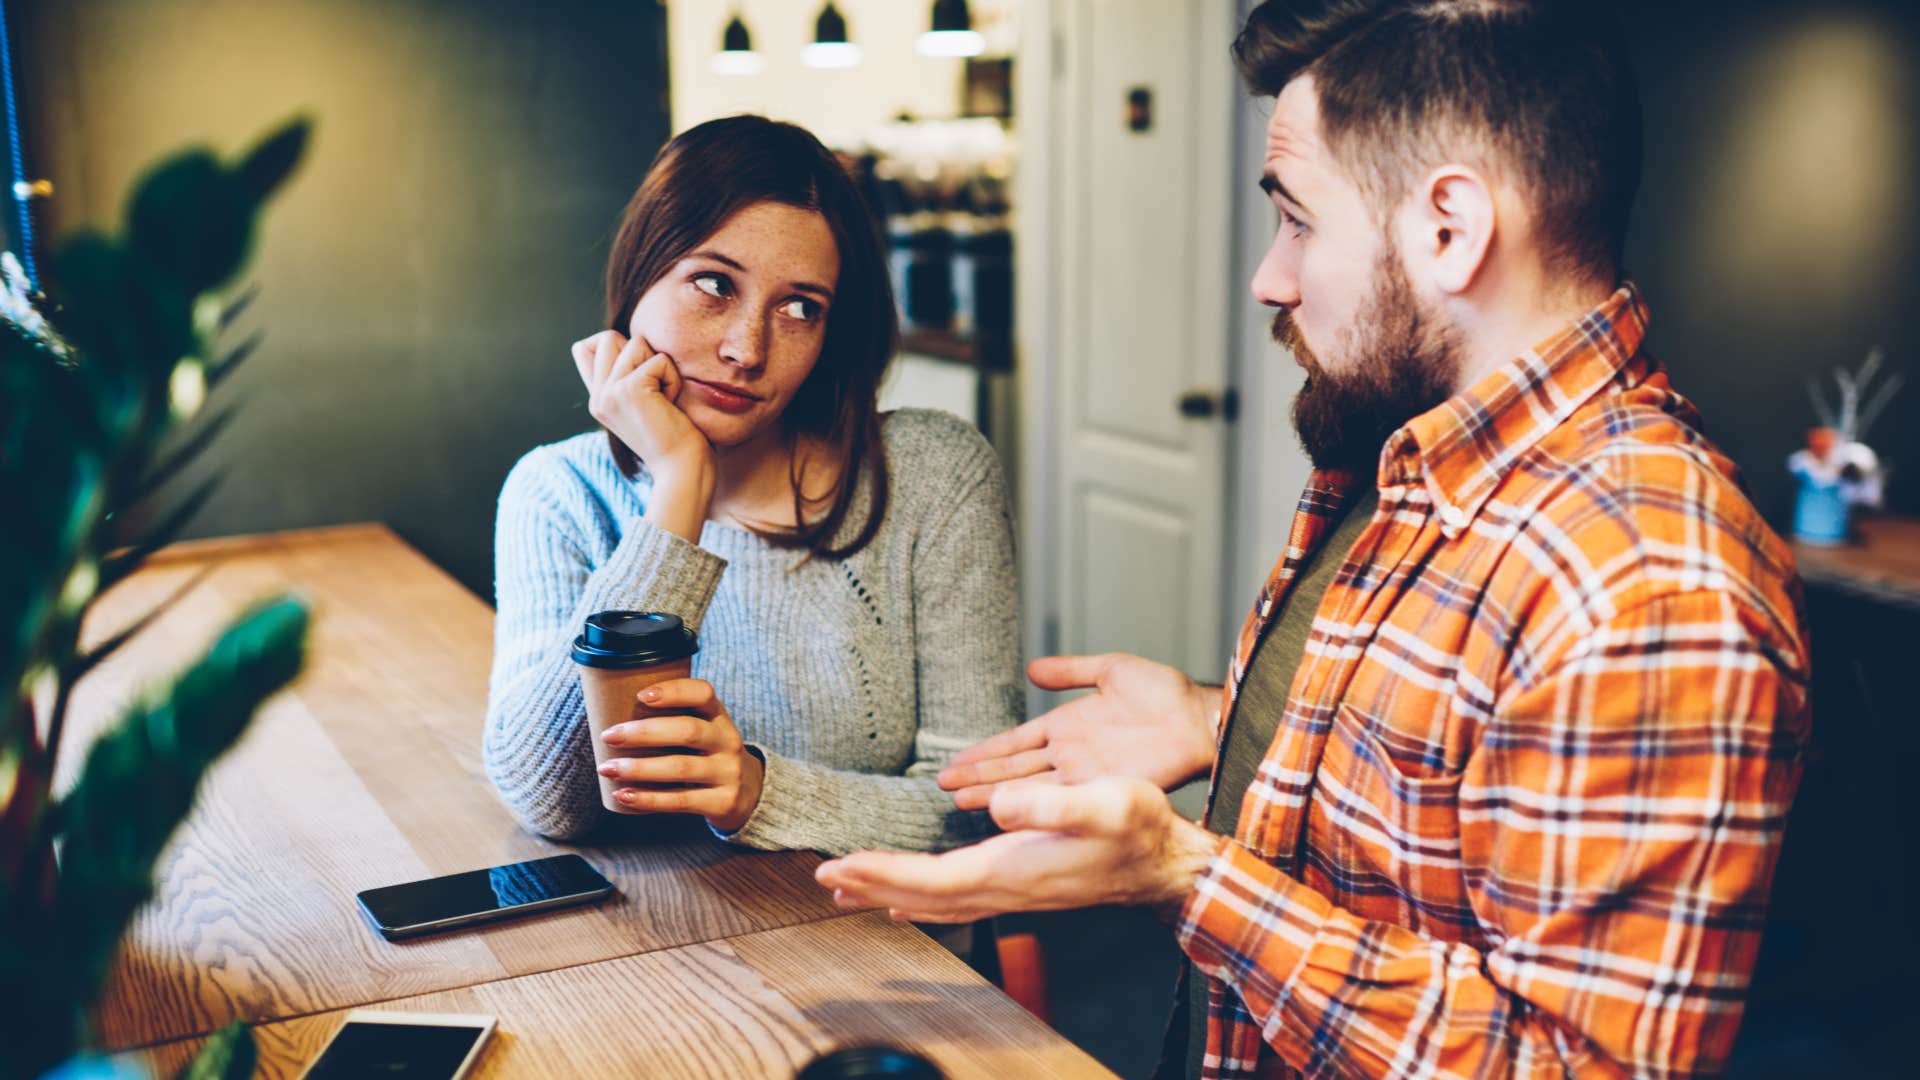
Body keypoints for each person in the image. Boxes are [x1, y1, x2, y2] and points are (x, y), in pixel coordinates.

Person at [816, 3, 1810, 1076]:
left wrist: (1183, 876)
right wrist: (1223, 716)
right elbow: (1446, 765)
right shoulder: (1406, 456)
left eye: (1298, 220)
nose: (1271, 277)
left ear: (1450, 228)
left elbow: (1578, 1065)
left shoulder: (1649, 586)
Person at [484, 115, 1020, 857]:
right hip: (657, 950)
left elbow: (980, 812)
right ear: (640, 274)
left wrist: (755, 792)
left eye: (801, 308)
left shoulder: (934, 474)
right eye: (713, 284)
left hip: (880, 951)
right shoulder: (560, 490)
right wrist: (678, 493)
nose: (746, 349)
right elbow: (547, 796)